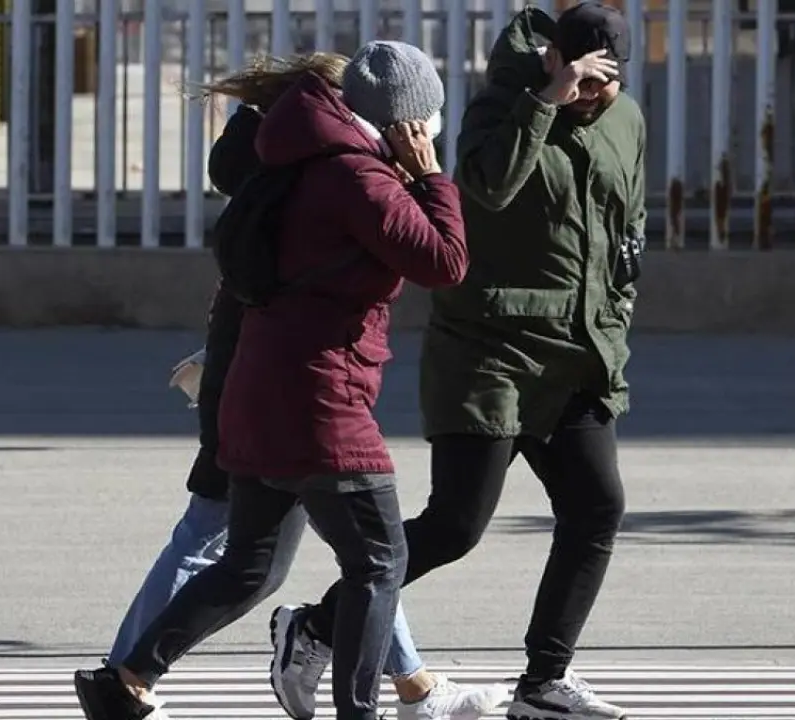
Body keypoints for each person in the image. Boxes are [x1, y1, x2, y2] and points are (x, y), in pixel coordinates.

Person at [73, 40, 484, 720]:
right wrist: (432, 177)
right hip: (322, 399)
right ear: (406, 120)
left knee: (251, 566)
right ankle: (360, 711)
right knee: (380, 563)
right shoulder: (357, 177)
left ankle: (127, 681)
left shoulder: (297, 157)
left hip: (261, 391)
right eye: (427, 120)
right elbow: (445, 261)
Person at [271, 4, 645, 720]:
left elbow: (628, 224)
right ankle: (313, 627)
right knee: (455, 525)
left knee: (597, 507)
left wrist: (617, 309)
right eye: (582, 76)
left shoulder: (625, 119)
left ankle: (544, 682)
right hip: (488, 351)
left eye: (608, 79)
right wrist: (546, 102)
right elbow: (485, 188)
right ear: (552, 60)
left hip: (577, 354)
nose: (595, 93)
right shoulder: (502, 107)